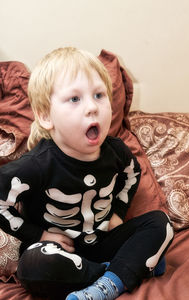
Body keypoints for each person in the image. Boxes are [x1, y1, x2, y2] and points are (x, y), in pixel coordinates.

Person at [0, 47, 174, 300]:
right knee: (33, 266)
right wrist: (38, 235)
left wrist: (118, 213)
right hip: (59, 251)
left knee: (160, 223)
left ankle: (107, 285)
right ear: (46, 116)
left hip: (105, 240)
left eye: (99, 95)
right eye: (74, 99)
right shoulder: (36, 164)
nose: (92, 107)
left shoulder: (117, 152)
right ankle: (126, 269)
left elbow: (132, 174)